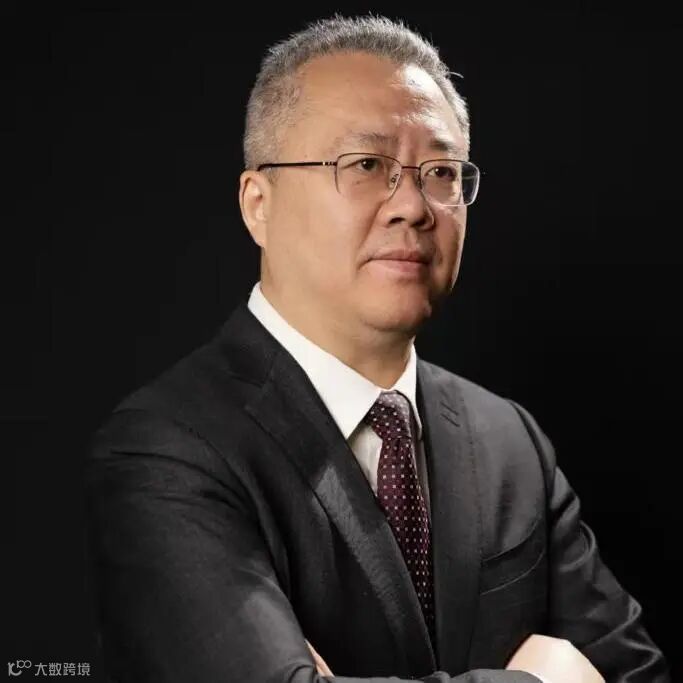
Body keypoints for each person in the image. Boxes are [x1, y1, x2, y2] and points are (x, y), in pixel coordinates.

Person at [84, 14, 669, 683]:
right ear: (258, 204)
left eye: (441, 172)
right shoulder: (166, 450)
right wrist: (544, 680)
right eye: (366, 165)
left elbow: (636, 672)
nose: (413, 206)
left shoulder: (509, 440)